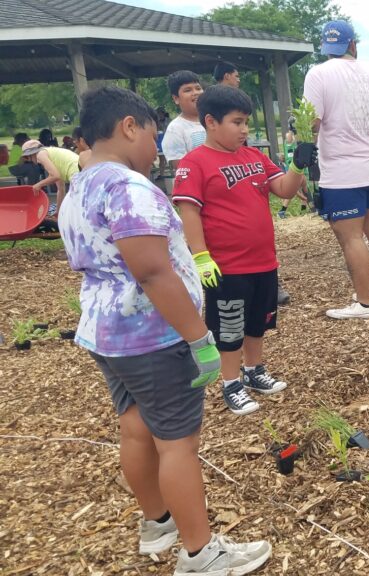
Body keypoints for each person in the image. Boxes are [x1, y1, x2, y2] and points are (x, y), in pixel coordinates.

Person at [58, 85, 271, 574]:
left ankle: (158, 524)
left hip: (105, 332)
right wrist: (200, 339)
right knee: (178, 444)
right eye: (152, 136)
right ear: (128, 127)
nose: (156, 149)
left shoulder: (80, 184)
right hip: (154, 337)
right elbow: (153, 271)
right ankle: (201, 553)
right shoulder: (127, 187)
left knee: (135, 426)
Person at [172, 85, 307, 416]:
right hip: (226, 266)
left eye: (246, 122)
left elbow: (283, 189)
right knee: (228, 327)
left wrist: (298, 165)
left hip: (263, 261)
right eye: (237, 122)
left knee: (258, 322)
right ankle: (230, 383)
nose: (244, 130)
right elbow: (189, 212)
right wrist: (201, 257)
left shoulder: (254, 157)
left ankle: (253, 370)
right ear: (211, 122)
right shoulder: (195, 163)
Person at [303, 19, 369, 319]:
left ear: (326, 48)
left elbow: (312, 124)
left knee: (351, 238)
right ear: (353, 45)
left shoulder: (317, 75)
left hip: (341, 171)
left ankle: (363, 304)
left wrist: (305, 169)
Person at [19, 139, 79, 216]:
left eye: (27, 157)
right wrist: (58, 212)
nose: (29, 160)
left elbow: (55, 176)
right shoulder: (53, 157)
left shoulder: (40, 154)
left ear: (31, 154)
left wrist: (39, 184)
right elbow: (61, 189)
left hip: (76, 173)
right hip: (82, 169)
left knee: (78, 207)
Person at [162, 70, 206, 174]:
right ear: (176, 98)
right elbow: (181, 168)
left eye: (198, 88)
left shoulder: (214, 120)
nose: (195, 93)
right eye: (188, 90)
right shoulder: (175, 129)